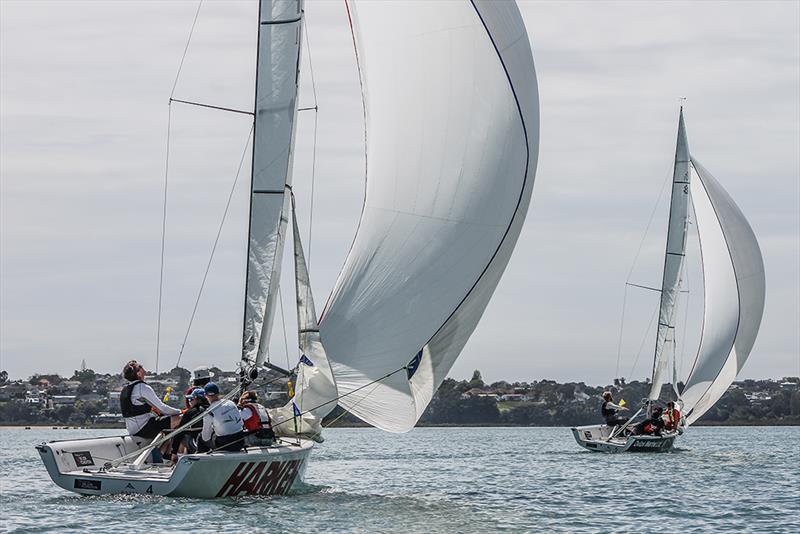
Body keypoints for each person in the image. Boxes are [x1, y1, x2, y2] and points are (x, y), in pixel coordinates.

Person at [120, 360, 181, 440]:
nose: (144, 369)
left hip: (132, 429)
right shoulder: (142, 387)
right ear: (138, 373)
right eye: (141, 367)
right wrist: (180, 411)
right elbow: (163, 409)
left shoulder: (126, 388)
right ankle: (176, 450)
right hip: (143, 429)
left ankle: (165, 448)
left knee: (166, 421)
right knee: (180, 418)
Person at [199, 382, 246, 453]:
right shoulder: (231, 403)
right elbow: (241, 423)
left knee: (200, 437)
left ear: (205, 395)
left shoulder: (209, 412)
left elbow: (206, 437)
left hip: (225, 445)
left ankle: (200, 460)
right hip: (240, 441)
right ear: (218, 393)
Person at [170, 388, 209, 463]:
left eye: (191, 399)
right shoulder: (213, 408)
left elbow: (180, 432)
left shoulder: (190, 412)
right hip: (213, 443)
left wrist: (174, 452)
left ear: (197, 399)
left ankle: (187, 455)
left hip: (198, 445)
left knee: (182, 434)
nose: (189, 401)